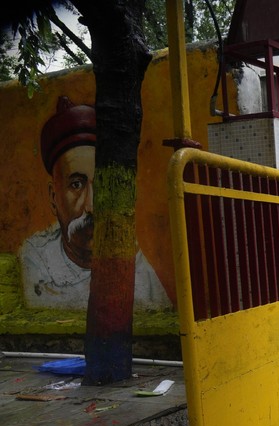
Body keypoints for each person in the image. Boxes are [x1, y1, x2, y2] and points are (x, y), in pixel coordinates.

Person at [20, 96, 170, 311]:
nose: (91, 205)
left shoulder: (132, 259)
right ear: (54, 197)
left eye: (100, 183)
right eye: (76, 184)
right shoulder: (38, 259)